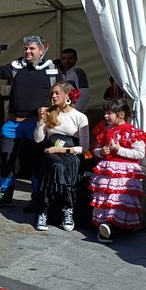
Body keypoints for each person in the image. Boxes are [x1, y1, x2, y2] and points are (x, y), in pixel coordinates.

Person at [0, 35, 59, 209]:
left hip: (36, 125)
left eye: (32, 48)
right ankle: (6, 196)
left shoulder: (52, 69)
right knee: (7, 160)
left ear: (42, 50)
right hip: (12, 124)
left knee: (35, 162)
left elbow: (60, 94)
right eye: (26, 48)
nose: (27, 51)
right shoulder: (16, 66)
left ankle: (36, 197)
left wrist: (53, 114)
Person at [90, 99, 146, 242]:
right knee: (106, 199)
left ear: (121, 114)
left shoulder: (133, 132)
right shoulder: (104, 130)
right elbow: (96, 150)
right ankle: (106, 225)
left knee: (119, 200)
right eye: (105, 113)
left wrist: (119, 150)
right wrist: (102, 152)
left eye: (109, 113)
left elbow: (139, 153)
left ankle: (114, 226)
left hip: (124, 173)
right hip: (108, 171)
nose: (105, 116)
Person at [33, 82, 89, 232]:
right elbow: (38, 139)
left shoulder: (80, 117)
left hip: (69, 154)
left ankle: (67, 209)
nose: (53, 96)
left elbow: (84, 148)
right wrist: (40, 120)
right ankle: (45, 210)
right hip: (51, 155)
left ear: (67, 95)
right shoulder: (50, 113)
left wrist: (59, 149)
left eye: (57, 93)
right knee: (55, 165)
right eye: (52, 93)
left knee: (62, 166)